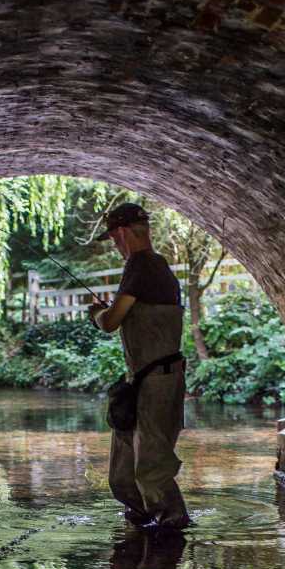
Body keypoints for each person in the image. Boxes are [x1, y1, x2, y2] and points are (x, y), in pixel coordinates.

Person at [88, 203, 191, 528]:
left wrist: (95, 314)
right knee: (122, 478)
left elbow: (111, 321)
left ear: (121, 232)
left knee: (151, 471)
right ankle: (142, 539)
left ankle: (171, 540)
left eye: (115, 240)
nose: (117, 247)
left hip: (158, 384)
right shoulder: (150, 267)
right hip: (141, 383)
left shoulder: (142, 263)